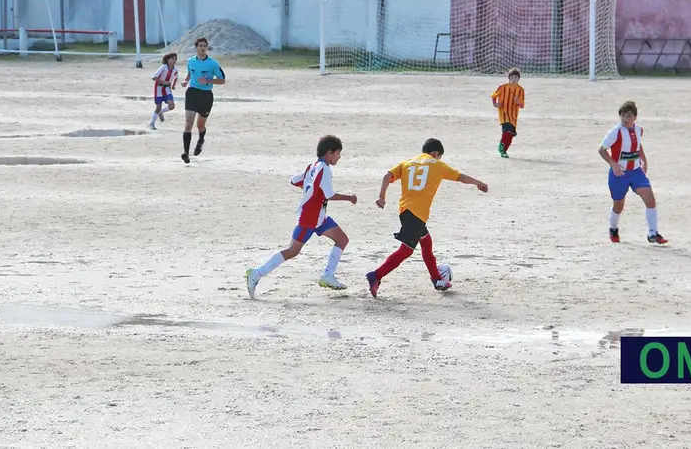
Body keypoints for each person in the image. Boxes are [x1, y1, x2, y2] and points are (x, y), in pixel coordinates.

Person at [366, 138, 488, 297]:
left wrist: (382, 196)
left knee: (426, 241)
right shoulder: (437, 165)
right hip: (417, 214)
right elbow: (460, 177)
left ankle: (437, 279)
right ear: (436, 153)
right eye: (439, 156)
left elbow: (386, 176)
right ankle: (376, 276)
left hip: (405, 210)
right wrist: (478, 182)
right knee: (406, 251)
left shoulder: (407, 162)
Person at [245, 135, 357, 299]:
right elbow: (329, 194)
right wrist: (349, 198)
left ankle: (327, 276)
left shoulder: (312, 166)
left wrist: (310, 189)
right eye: (338, 153)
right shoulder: (325, 169)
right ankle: (256, 273)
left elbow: (294, 180)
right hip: (309, 218)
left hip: (319, 216)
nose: (339, 157)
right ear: (329, 153)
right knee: (292, 251)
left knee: (342, 239)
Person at [598, 100, 668, 245]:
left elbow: (636, 144)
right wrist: (613, 164)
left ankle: (653, 233)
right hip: (619, 175)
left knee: (650, 199)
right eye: (623, 115)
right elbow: (601, 149)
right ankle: (613, 228)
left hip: (636, 172)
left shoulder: (638, 130)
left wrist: (644, 159)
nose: (625, 119)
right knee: (619, 205)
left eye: (629, 115)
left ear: (635, 117)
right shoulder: (615, 132)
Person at [179, 37, 225, 164]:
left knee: (200, 125)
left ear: (207, 48)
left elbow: (222, 80)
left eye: (205, 45)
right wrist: (185, 81)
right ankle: (186, 153)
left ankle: (200, 140)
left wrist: (209, 81)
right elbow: (190, 73)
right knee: (188, 123)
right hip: (192, 93)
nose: (203, 48)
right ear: (196, 47)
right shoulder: (190, 61)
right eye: (200, 45)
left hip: (206, 96)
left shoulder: (213, 64)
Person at [490, 67, 525, 158]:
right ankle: (502, 147)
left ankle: (504, 149)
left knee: (511, 134)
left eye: (516, 78)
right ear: (509, 78)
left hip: (513, 115)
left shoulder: (521, 90)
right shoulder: (502, 88)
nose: (514, 80)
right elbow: (494, 96)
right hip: (504, 113)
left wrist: (518, 102)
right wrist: (495, 104)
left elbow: (522, 105)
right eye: (512, 77)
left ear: (518, 79)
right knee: (507, 130)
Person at [148, 52, 178, 130]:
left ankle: (161, 112)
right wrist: (163, 81)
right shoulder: (163, 67)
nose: (174, 60)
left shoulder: (175, 70)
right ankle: (152, 123)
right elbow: (154, 77)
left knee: (172, 106)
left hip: (167, 89)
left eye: (175, 59)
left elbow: (175, 77)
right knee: (158, 107)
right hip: (158, 89)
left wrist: (173, 85)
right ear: (167, 60)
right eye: (172, 59)